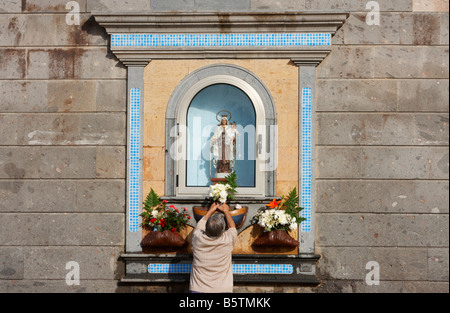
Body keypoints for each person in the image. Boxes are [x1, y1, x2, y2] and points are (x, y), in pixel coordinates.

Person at [189, 202, 237, 293]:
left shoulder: (197, 237)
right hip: (223, 289)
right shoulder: (227, 240)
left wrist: (210, 210)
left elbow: (200, 225)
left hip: (198, 288)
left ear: (205, 228)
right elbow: (232, 227)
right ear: (223, 231)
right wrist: (226, 211)